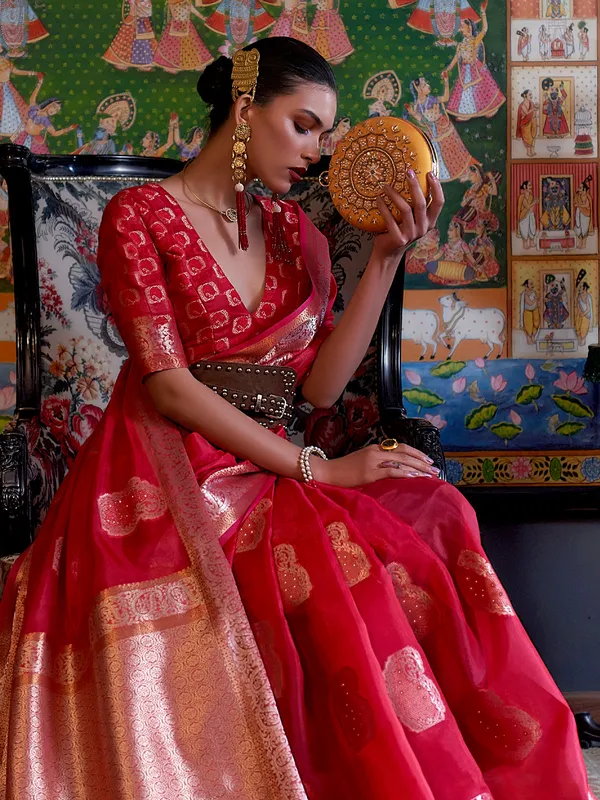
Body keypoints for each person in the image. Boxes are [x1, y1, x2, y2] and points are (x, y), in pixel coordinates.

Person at [0, 36, 593, 800]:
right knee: (335, 559)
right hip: (170, 469)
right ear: (246, 110)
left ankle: (491, 771)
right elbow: (170, 388)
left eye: (326, 133)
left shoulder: (291, 234)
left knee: (434, 509)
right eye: (305, 125)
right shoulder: (139, 215)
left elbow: (315, 391)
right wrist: (322, 467)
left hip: (269, 463)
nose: (318, 151)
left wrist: (384, 257)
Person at [443, 0, 505, 122]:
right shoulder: (460, 45)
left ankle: (490, 108)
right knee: (466, 91)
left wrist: (483, 12)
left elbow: (484, 30)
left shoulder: (474, 41)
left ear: (469, 28)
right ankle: (467, 111)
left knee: (482, 90)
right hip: (465, 70)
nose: (460, 29)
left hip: (476, 68)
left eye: (462, 27)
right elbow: (456, 58)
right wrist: (447, 69)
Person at [574, 174, 594, 248]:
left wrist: (578, 205)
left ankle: (584, 244)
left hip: (585, 215)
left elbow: (586, 206)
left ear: (584, 189)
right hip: (579, 214)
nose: (579, 189)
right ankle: (580, 244)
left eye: (580, 188)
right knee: (579, 229)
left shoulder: (587, 196)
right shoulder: (579, 195)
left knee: (584, 229)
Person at [515, 88, 538, 156]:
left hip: (533, 121)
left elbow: (534, 112)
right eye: (530, 94)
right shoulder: (522, 105)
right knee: (528, 138)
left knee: (533, 136)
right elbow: (527, 113)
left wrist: (536, 107)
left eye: (531, 95)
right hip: (525, 123)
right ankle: (528, 152)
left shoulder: (531, 103)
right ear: (525, 95)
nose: (531, 96)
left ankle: (532, 151)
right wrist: (533, 109)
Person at [516, 179, 538, 248]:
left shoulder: (531, 196)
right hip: (523, 216)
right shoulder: (522, 197)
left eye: (531, 185)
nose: (531, 187)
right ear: (525, 186)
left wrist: (533, 204)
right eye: (529, 185)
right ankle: (525, 244)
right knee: (525, 229)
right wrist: (534, 202)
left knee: (532, 228)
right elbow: (527, 206)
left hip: (530, 215)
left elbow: (531, 208)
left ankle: (531, 242)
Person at [519, 278, 541, 344]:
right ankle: (529, 339)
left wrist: (538, 302)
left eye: (532, 284)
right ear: (526, 285)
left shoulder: (533, 292)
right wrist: (535, 299)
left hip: (535, 310)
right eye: (531, 284)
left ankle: (533, 336)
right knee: (529, 326)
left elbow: (536, 301)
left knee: (536, 324)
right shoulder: (525, 294)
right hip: (528, 311)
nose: (532, 285)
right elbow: (530, 303)